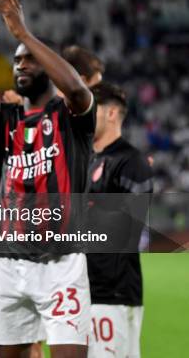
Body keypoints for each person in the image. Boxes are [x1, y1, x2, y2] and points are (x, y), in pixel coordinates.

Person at [0, 0, 95, 357]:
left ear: (48, 66)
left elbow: (78, 91)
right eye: (17, 61)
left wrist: (23, 33)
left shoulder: (70, 117)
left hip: (61, 263)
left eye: (29, 59)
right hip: (7, 262)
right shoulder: (6, 118)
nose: (21, 65)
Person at [86, 81, 153, 358]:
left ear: (112, 113)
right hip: (84, 290)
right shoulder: (89, 159)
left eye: (94, 108)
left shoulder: (131, 161)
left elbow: (127, 231)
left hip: (113, 294)